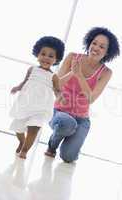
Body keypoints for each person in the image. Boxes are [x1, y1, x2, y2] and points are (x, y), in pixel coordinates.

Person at [45, 27, 120, 163]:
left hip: (82, 120)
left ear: (107, 52)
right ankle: (52, 144)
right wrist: (73, 72)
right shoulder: (73, 57)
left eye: (102, 47)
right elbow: (57, 86)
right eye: (94, 43)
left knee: (69, 157)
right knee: (66, 123)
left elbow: (91, 98)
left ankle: (71, 137)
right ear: (89, 43)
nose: (96, 48)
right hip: (60, 112)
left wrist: (79, 75)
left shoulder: (106, 72)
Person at [9, 36, 65, 159]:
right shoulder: (32, 69)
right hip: (25, 103)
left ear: (56, 59)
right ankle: (21, 141)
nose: (46, 57)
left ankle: (25, 150)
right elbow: (25, 82)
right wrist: (17, 87)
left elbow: (57, 90)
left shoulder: (54, 76)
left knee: (34, 128)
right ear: (37, 54)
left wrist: (60, 97)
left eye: (51, 56)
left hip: (41, 107)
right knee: (18, 128)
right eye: (43, 54)